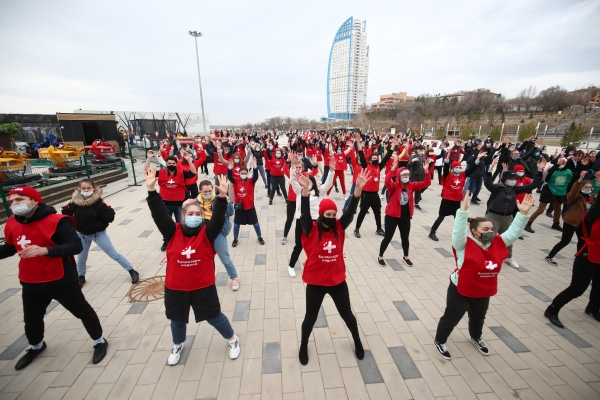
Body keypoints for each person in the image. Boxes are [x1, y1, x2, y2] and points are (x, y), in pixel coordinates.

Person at [0, 186, 108, 370]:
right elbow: (11, 247)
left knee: (82, 311)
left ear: (35, 201)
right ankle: (37, 345)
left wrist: (47, 250)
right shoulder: (12, 223)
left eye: (19, 200)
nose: (14, 205)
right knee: (32, 318)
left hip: (60, 279)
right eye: (11, 201)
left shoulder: (57, 221)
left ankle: (99, 341)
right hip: (31, 280)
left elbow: (75, 246)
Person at [145, 169, 241, 365]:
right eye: (190, 214)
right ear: (182, 216)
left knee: (214, 317)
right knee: (177, 320)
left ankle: (232, 339)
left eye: (198, 213)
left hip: (202, 287)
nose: (194, 216)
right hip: (175, 288)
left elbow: (218, 217)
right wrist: (152, 191)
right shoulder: (173, 232)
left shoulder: (207, 233)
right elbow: (159, 215)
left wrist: (222, 196)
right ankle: (178, 344)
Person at [433, 191, 534, 360]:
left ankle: (476, 337)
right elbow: (457, 232)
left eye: (492, 229)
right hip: (461, 290)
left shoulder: (498, 243)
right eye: (486, 229)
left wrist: (523, 214)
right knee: (451, 318)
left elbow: (513, 233)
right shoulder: (463, 244)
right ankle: (440, 340)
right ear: (474, 231)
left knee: (478, 317)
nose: (491, 232)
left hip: (484, 290)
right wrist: (463, 212)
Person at [296, 169, 370, 365]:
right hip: (315, 282)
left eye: (333, 214)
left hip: (337, 281)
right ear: (321, 214)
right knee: (309, 318)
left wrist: (358, 190)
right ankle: (304, 344)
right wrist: (305, 191)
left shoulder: (339, 226)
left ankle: (357, 340)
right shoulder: (310, 229)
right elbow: (304, 214)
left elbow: (351, 211)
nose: (331, 217)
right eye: (327, 214)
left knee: (347, 315)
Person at [62, 179, 139, 288]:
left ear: (93, 188)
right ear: (80, 189)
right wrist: (65, 207)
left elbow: (109, 218)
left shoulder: (98, 203)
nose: (86, 190)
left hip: (98, 234)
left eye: (88, 188)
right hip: (82, 234)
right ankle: (81, 276)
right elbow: (68, 219)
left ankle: (132, 271)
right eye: (83, 188)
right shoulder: (75, 203)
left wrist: (108, 207)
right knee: (81, 258)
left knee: (114, 254)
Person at [545, 194, 600, 328]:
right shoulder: (593, 216)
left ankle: (593, 307)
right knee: (577, 289)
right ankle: (553, 308)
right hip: (588, 257)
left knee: (598, 286)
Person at [378, 157, 432, 267]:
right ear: (399, 176)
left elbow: (426, 183)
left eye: (407, 175)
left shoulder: (411, 186)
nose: (406, 177)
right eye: (403, 175)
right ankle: (380, 256)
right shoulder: (394, 186)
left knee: (405, 237)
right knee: (388, 237)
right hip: (392, 216)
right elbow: (387, 180)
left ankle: (406, 256)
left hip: (405, 216)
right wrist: (393, 168)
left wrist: (426, 171)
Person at [287, 155, 335, 277]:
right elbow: (293, 180)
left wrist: (331, 171)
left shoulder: (318, 192)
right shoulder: (299, 191)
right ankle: (291, 266)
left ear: (313, 183)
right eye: (306, 181)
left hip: (315, 222)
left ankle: (317, 265)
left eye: (310, 181)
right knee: (299, 245)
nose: (307, 183)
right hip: (301, 221)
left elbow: (328, 183)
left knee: (317, 244)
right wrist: (292, 166)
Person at [144, 150, 197, 251]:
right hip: (165, 203)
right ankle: (166, 241)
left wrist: (189, 160)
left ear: (176, 164)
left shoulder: (182, 173)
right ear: (166, 164)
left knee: (181, 223)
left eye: (173, 163)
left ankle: (182, 240)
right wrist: (149, 158)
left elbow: (193, 173)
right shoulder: (161, 173)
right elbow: (147, 171)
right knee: (165, 224)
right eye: (169, 163)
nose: (171, 165)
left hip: (179, 204)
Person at [197, 180, 240, 291]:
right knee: (205, 258)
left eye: (210, 191)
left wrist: (227, 199)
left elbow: (230, 213)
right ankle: (207, 279)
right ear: (200, 191)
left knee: (224, 257)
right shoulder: (195, 202)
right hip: (202, 233)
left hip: (218, 232)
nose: (207, 194)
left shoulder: (218, 199)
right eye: (205, 192)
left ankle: (234, 277)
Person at [544, 171, 594, 265]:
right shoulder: (575, 196)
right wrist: (579, 181)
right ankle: (550, 256)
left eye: (589, 187)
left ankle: (579, 255)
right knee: (565, 241)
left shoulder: (591, 197)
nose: (588, 189)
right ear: (581, 188)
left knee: (582, 240)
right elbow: (574, 190)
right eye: (585, 187)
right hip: (571, 221)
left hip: (582, 222)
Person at [428, 154, 482, 242]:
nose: (459, 169)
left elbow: (472, 168)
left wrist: (478, 159)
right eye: (456, 167)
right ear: (453, 168)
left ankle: (459, 233)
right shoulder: (448, 175)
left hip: (456, 200)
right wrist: (446, 159)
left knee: (457, 217)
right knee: (441, 217)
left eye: (460, 167)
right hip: (447, 200)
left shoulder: (463, 175)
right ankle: (432, 232)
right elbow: (445, 168)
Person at [353, 142, 394, 238]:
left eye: (377, 159)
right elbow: (362, 155)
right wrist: (358, 143)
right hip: (366, 194)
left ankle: (379, 229)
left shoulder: (378, 167)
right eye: (374, 159)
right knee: (362, 212)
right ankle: (357, 229)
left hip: (375, 194)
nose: (376, 160)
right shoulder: (366, 166)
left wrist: (393, 145)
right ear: (370, 161)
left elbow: (387, 157)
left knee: (377, 212)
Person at [525, 157, 573, 233]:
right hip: (549, 191)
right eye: (560, 163)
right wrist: (557, 165)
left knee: (558, 209)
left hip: (560, 192)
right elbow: (547, 177)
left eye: (563, 163)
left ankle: (556, 223)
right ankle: (528, 224)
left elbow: (571, 181)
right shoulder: (553, 170)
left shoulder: (569, 172)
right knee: (540, 210)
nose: (562, 164)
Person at [229, 160, 265, 247]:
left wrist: (255, 167)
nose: (244, 174)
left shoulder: (250, 181)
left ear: (247, 173)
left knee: (255, 223)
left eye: (245, 173)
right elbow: (230, 177)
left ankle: (259, 236)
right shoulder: (236, 181)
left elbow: (256, 176)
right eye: (242, 173)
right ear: (239, 173)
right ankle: (235, 238)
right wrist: (229, 168)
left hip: (250, 206)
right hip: (240, 207)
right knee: (236, 224)